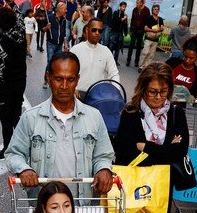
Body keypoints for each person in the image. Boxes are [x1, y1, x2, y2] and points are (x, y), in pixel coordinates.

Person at [6, 52, 115, 198]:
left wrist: (103, 169)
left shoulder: (94, 116)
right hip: (44, 208)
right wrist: (24, 169)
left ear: (77, 80)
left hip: (85, 207)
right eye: (58, 79)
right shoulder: (30, 118)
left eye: (70, 80)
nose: (64, 86)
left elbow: (103, 155)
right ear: (48, 78)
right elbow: (14, 154)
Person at [113, 63, 188, 213]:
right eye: (152, 91)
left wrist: (145, 146)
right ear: (143, 89)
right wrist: (166, 149)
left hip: (158, 187)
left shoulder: (176, 114)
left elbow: (180, 150)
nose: (158, 97)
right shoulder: (130, 113)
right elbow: (126, 152)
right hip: (131, 186)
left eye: (163, 91)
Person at [0, 7, 26, 161]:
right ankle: (24, 146)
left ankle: (7, 150)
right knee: (16, 115)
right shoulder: (20, 31)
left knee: (6, 118)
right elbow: (19, 17)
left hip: (8, 85)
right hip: (21, 81)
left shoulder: (3, 44)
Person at [70, 18, 119, 97]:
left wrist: (116, 90)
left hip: (98, 96)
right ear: (87, 30)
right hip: (77, 94)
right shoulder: (75, 50)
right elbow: (69, 72)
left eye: (100, 31)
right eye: (94, 30)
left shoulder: (106, 51)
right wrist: (74, 88)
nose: (97, 33)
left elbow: (113, 73)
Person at [42, 2, 69, 88]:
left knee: (57, 63)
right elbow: (42, 29)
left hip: (59, 44)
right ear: (59, 9)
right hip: (51, 43)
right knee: (50, 61)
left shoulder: (64, 20)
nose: (66, 11)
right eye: (64, 9)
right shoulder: (50, 18)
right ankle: (46, 80)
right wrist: (47, 27)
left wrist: (65, 44)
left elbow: (64, 33)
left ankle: (54, 80)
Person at [125, 0, 150, 68]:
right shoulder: (134, 10)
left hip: (141, 31)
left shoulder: (146, 10)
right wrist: (131, 31)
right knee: (131, 45)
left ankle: (136, 61)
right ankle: (128, 60)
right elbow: (132, 20)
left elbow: (147, 21)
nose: (136, 4)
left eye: (137, 2)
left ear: (142, 3)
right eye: (136, 2)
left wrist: (145, 30)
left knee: (139, 47)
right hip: (134, 30)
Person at [138, 4, 164, 70]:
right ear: (152, 10)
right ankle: (141, 66)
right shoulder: (149, 18)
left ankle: (146, 67)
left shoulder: (160, 19)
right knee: (145, 52)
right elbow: (145, 28)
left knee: (151, 55)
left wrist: (161, 29)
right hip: (148, 39)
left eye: (158, 9)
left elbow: (162, 28)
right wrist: (153, 30)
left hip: (155, 40)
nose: (156, 10)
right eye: (155, 9)